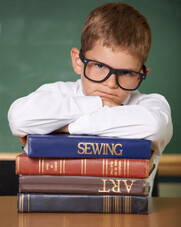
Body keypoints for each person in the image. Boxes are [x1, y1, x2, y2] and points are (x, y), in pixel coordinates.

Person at [8, 2, 173, 195]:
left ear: (140, 74)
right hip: (55, 213)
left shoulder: (150, 105)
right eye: (100, 66)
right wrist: (99, 103)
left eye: (126, 73)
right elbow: (20, 118)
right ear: (78, 61)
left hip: (128, 215)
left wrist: (65, 128)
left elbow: (153, 126)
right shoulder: (58, 93)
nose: (111, 84)